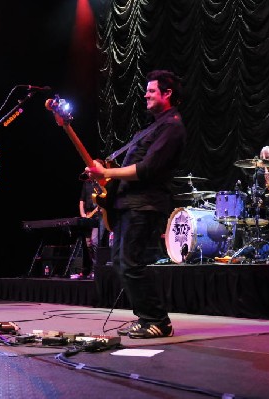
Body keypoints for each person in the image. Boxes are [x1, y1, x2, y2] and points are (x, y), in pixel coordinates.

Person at [85, 70, 186, 339]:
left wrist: (107, 173)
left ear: (167, 94)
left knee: (130, 262)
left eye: (152, 90)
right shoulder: (152, 127)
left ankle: (158, 320)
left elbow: (146, 169)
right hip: (128, 204)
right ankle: (145, 318)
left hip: (145, 205)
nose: (146, 94)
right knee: (120, 262)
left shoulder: (173, 127)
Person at [74, 178, 104, 279]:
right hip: (87, 215)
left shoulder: (101, 182)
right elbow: (81, 200)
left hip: (98, 215)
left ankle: (97, 269)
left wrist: (95, 211)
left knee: (94, 241)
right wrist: (82, 214)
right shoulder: (87, 183)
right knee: (88, 244)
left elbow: (103, 199)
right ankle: (92, 268)